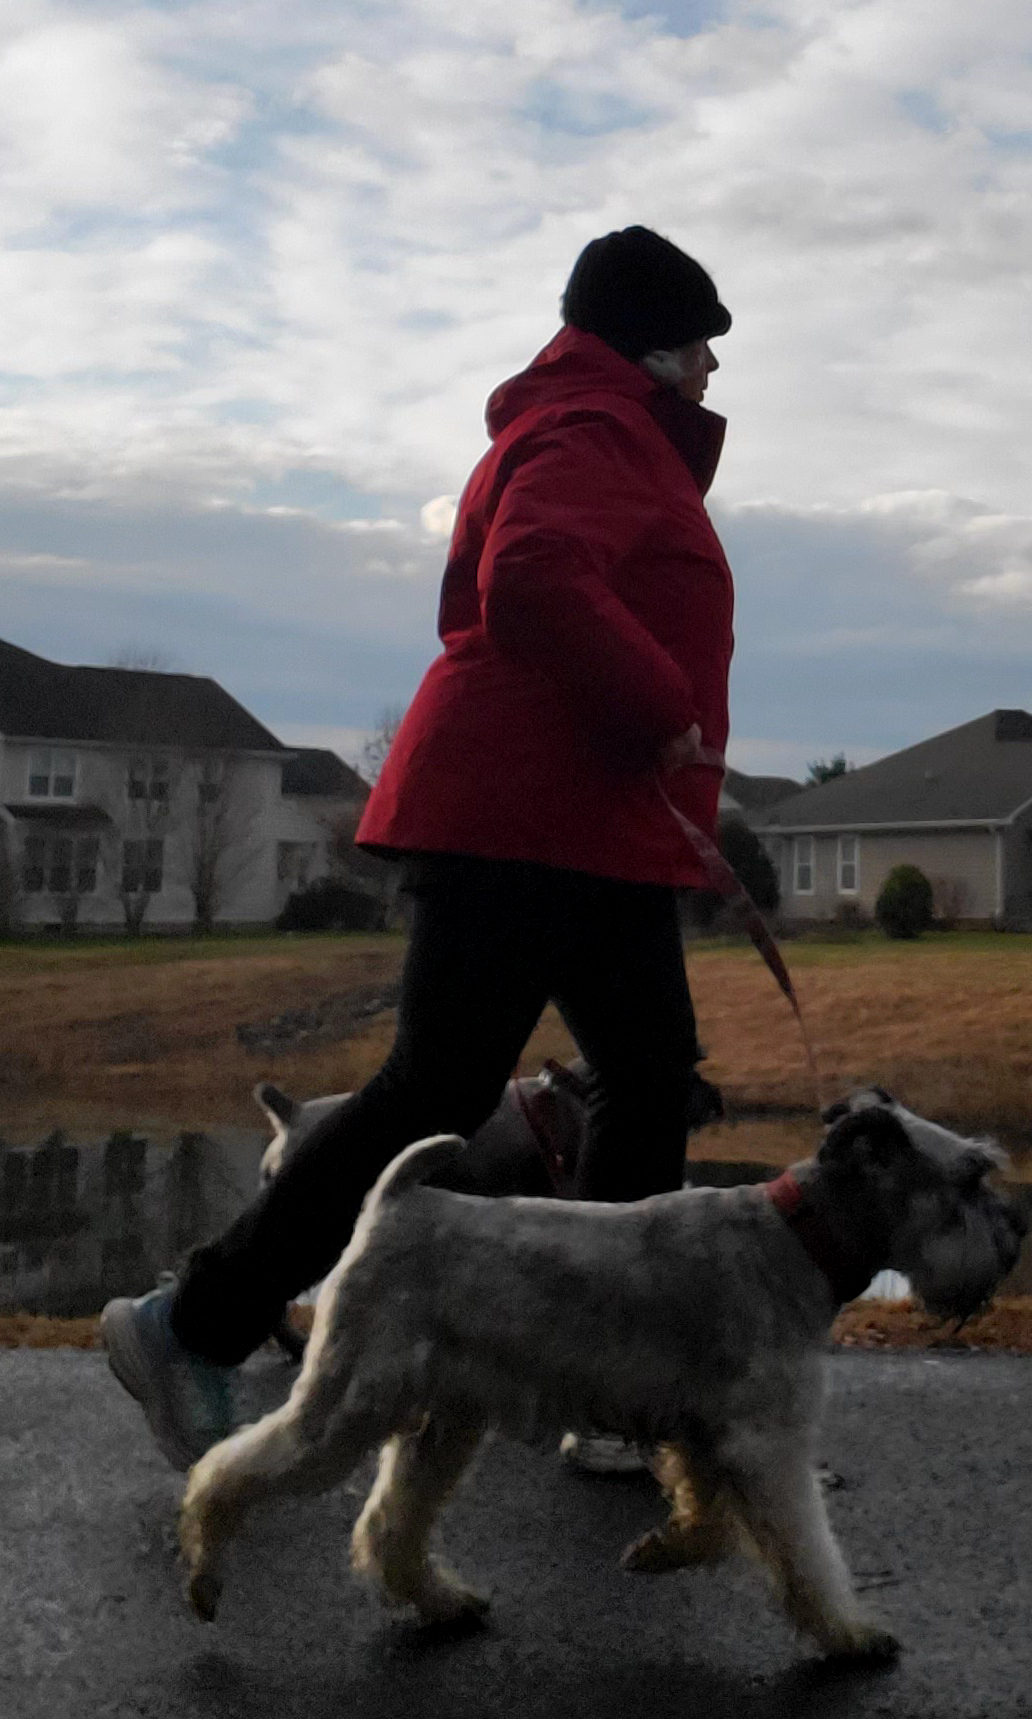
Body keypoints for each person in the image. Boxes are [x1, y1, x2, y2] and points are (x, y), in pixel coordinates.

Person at [102, 225, 736, 1473]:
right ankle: (190, 1325)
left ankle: (608, 1389)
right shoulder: (595, 428)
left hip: (572, 819)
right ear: (651, 344)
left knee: (645, 1076)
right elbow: (537, 578)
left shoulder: (595, 425)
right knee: (439, 1092)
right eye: (702, 337)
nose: (715, 363)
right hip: (527, 818)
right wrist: (659, 703)